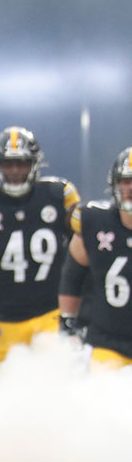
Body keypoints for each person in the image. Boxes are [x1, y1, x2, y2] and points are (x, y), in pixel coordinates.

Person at [0, 127, 80, 361]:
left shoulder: (58, 195)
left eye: (21, 163)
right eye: (8, 164)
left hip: (52, 313)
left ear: (34, 163)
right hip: (5, 319)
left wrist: (80, 310)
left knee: (53, 382)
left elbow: (82, 258)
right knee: (14, 390)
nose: (15, 171)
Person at [60, 147, 132, 368]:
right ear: (114, 184)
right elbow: (72, 275)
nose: (130, 188)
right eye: (125, 181)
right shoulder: (94, 221)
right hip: (108, 342)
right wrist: (67, 321)